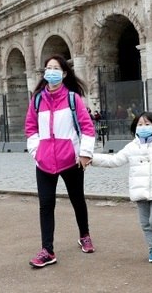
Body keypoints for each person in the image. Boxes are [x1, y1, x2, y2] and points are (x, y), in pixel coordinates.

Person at [24, 55, 97, 268]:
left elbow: (87, 127)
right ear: (45, 73)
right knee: (46, 205)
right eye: (48, 68)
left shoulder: (73, 99)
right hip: (44, 162)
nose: (52, 71)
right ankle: (47, 250)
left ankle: (84, 234)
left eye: (56, 68)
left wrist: (85, 153)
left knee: (77, 199)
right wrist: (37, 152)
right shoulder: (37, 100)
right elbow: (30, 128)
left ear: (64, 73)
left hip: (71, 160)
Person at [90, 111, 152, 263]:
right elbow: (114, 160)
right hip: (140, 191)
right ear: (135, 127)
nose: (143, 127)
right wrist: (91, 159)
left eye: (147, 124)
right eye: (140, 124)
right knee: (145, 223)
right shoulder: (131, 147)